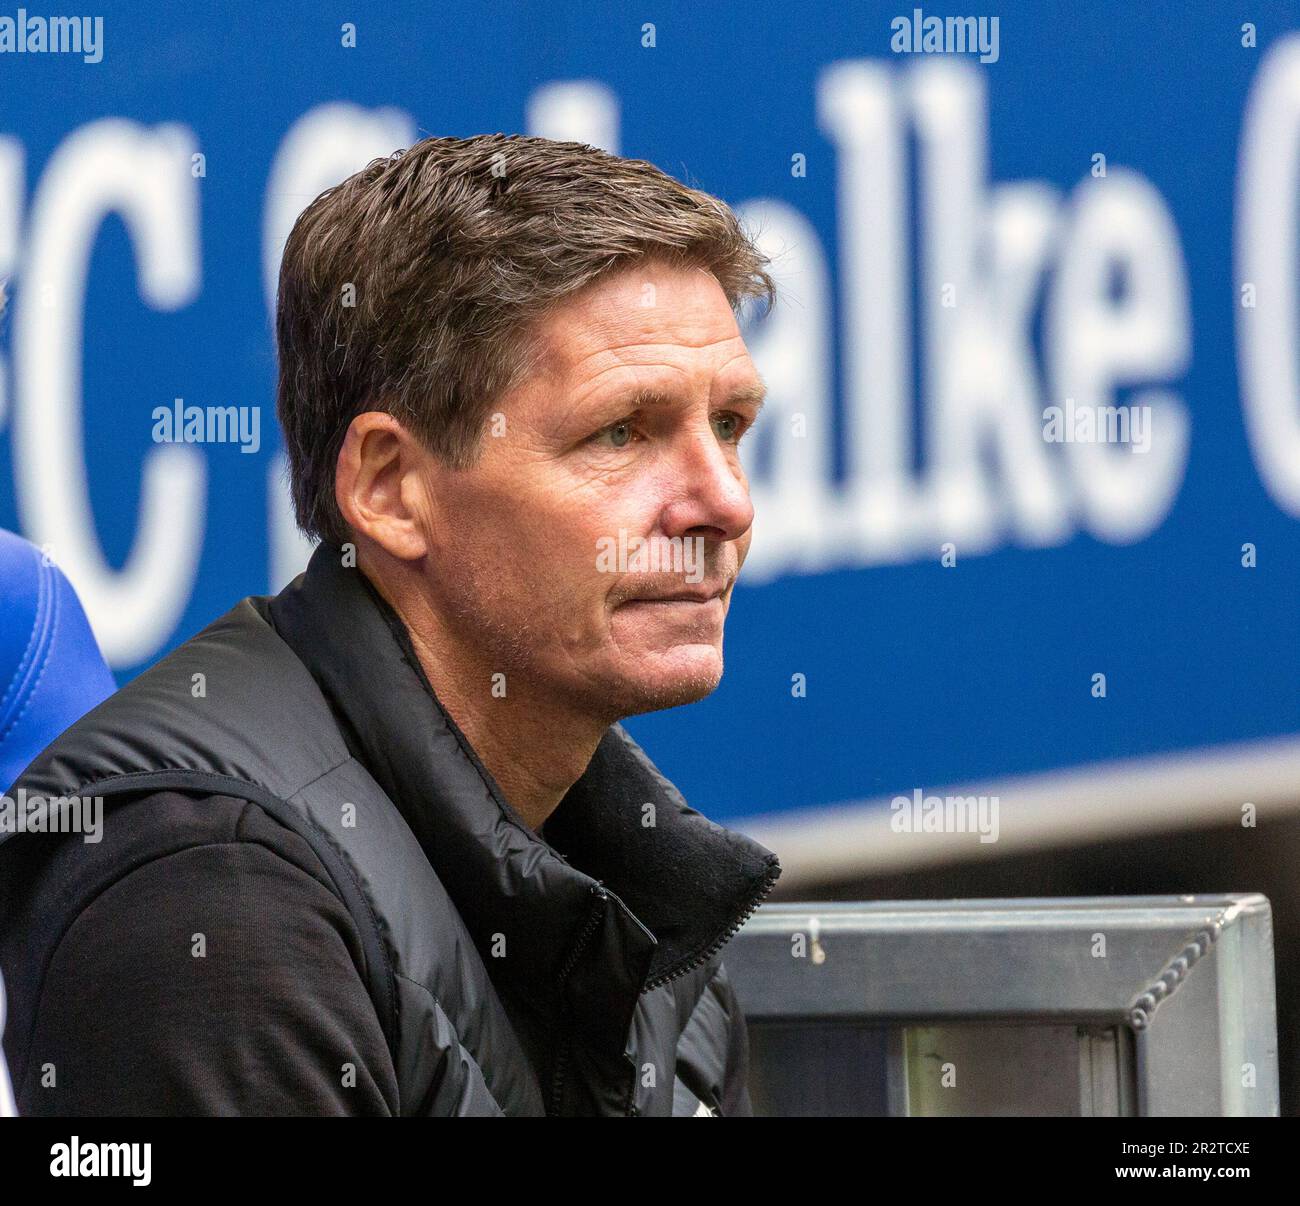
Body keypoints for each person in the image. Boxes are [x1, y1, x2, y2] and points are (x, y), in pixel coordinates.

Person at [0, 133, 782, 1116]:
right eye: (619, 432)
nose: (723, 504)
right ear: (390, 487)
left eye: (729, 427)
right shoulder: (207, 889)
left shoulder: (644, 893)